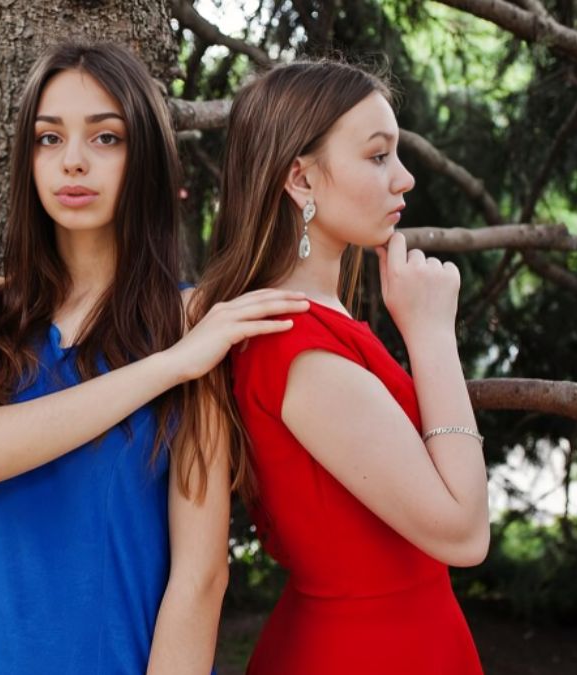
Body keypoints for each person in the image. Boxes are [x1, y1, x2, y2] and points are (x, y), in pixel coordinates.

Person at [0, 42, 309, 675]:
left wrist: (184, 353)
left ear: (145, 160)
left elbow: (201, 577)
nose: (73, 162)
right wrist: (167, 367)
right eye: (49, 140)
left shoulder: (191, 322)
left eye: (106, 138)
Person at [192, 59, 488, 674]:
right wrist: (433, 335)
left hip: (390, 636)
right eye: (378, 156)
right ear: (300, 180)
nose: (404, 179)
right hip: (371, 649)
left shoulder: (309, 323)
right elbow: (463, 534)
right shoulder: (298, 348)